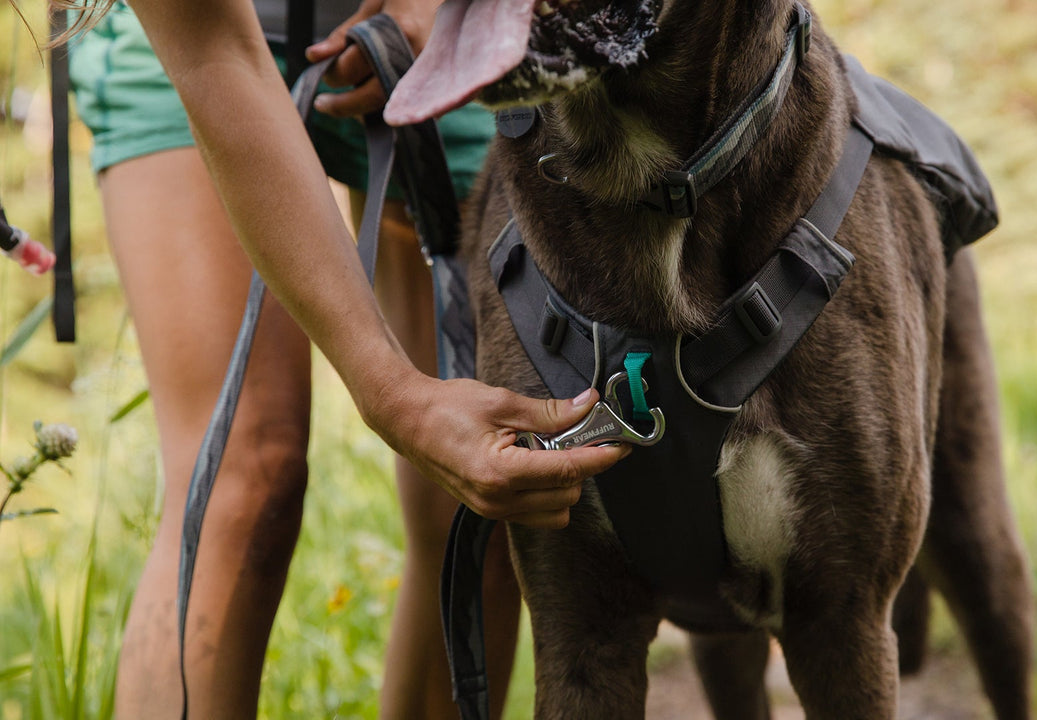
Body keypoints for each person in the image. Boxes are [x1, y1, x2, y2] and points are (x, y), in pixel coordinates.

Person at [64, 0, 629, 717]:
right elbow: (215, 54)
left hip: (448, 30)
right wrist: (390, 392)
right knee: (245, 478)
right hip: (202, 45)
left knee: (486, 501)